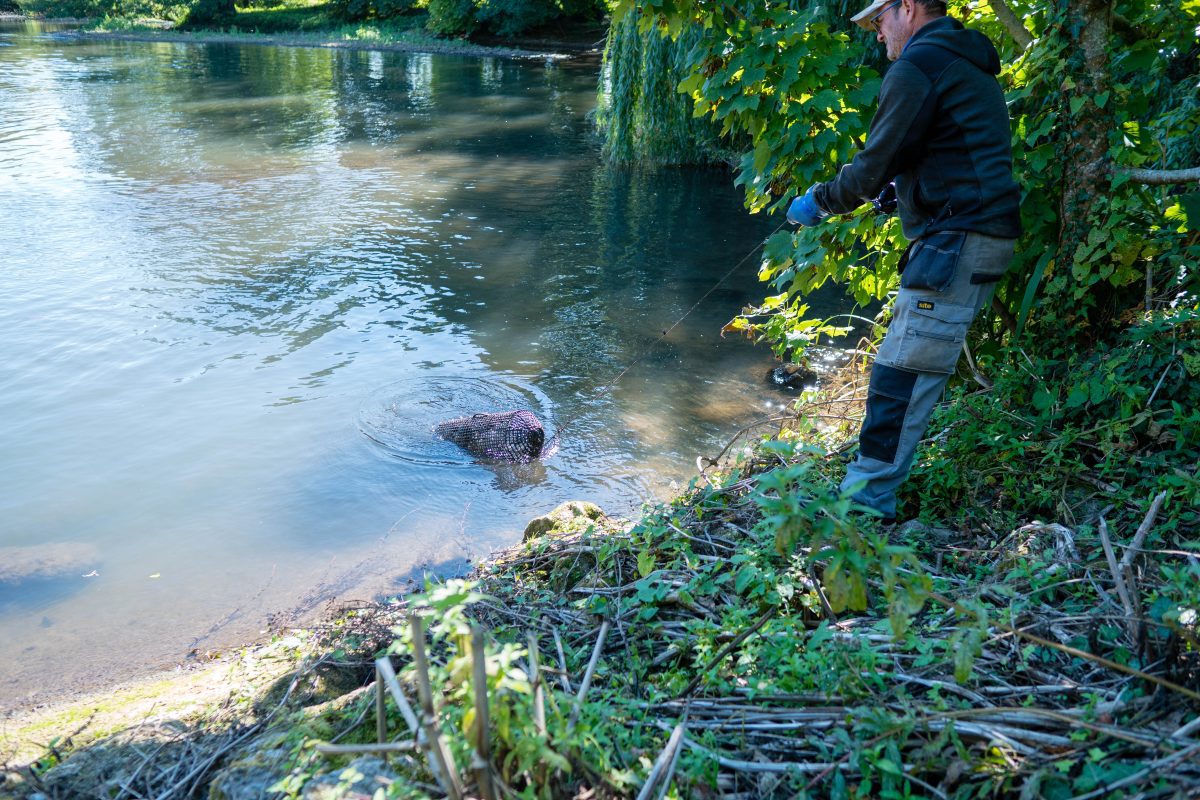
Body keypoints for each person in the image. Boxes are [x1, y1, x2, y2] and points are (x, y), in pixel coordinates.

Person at [786, 0, 1022, 523]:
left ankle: (864, 507)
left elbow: (872, 163)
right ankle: (868, 492)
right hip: (971, 234)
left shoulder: (918, 65)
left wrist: (822, 201)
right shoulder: (960, 59)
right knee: (905, 368)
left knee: (901, 375)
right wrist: (907, 187)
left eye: (878, 21)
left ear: (908, 8)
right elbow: (948, 150)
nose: (876, 35)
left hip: (957, 240)